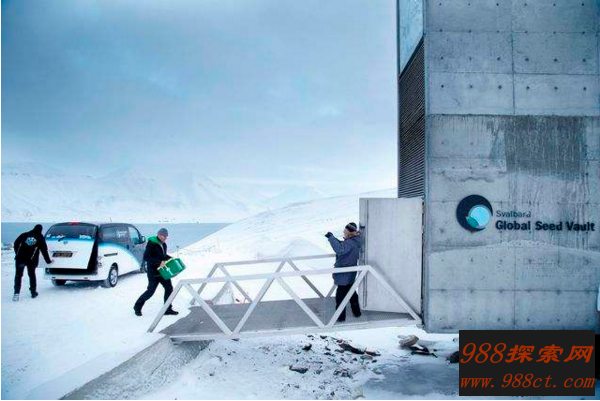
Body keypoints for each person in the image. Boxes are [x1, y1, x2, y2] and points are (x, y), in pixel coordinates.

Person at [133, 228, 179, 316]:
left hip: (162, 272)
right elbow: (146, 257)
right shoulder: (151, 244)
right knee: (150, 292)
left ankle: (167, 309)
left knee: (169, 288)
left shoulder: (163, 244)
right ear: (158, 235)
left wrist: (170, 258)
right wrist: (159, 262)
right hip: (153, 273)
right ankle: (137, 307)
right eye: (163, 236)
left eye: (166, 236)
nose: (164, 238)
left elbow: (163, 255)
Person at [325, 222, 362, 322]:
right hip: (349, 273)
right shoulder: (354, 241)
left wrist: (331, 238)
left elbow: (340, 250)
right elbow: (343, 245)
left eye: (345, 230)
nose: (343, 232)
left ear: (349, 232)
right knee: (351, 292)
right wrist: (333, 238)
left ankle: (340, 317)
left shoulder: (349, 243)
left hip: (344, 273)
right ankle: (357, 312)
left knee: (340, 296)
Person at [13, 224, 53, 301]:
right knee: (31, 275)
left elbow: (16, 243)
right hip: (31, 260)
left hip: (20, 258)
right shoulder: (40, 238)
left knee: (18, 275)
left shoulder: (25, 234)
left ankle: (16, 294)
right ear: (41, 230)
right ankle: (33, 292)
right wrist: (48, 261)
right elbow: (44, 251)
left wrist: (17, 253)